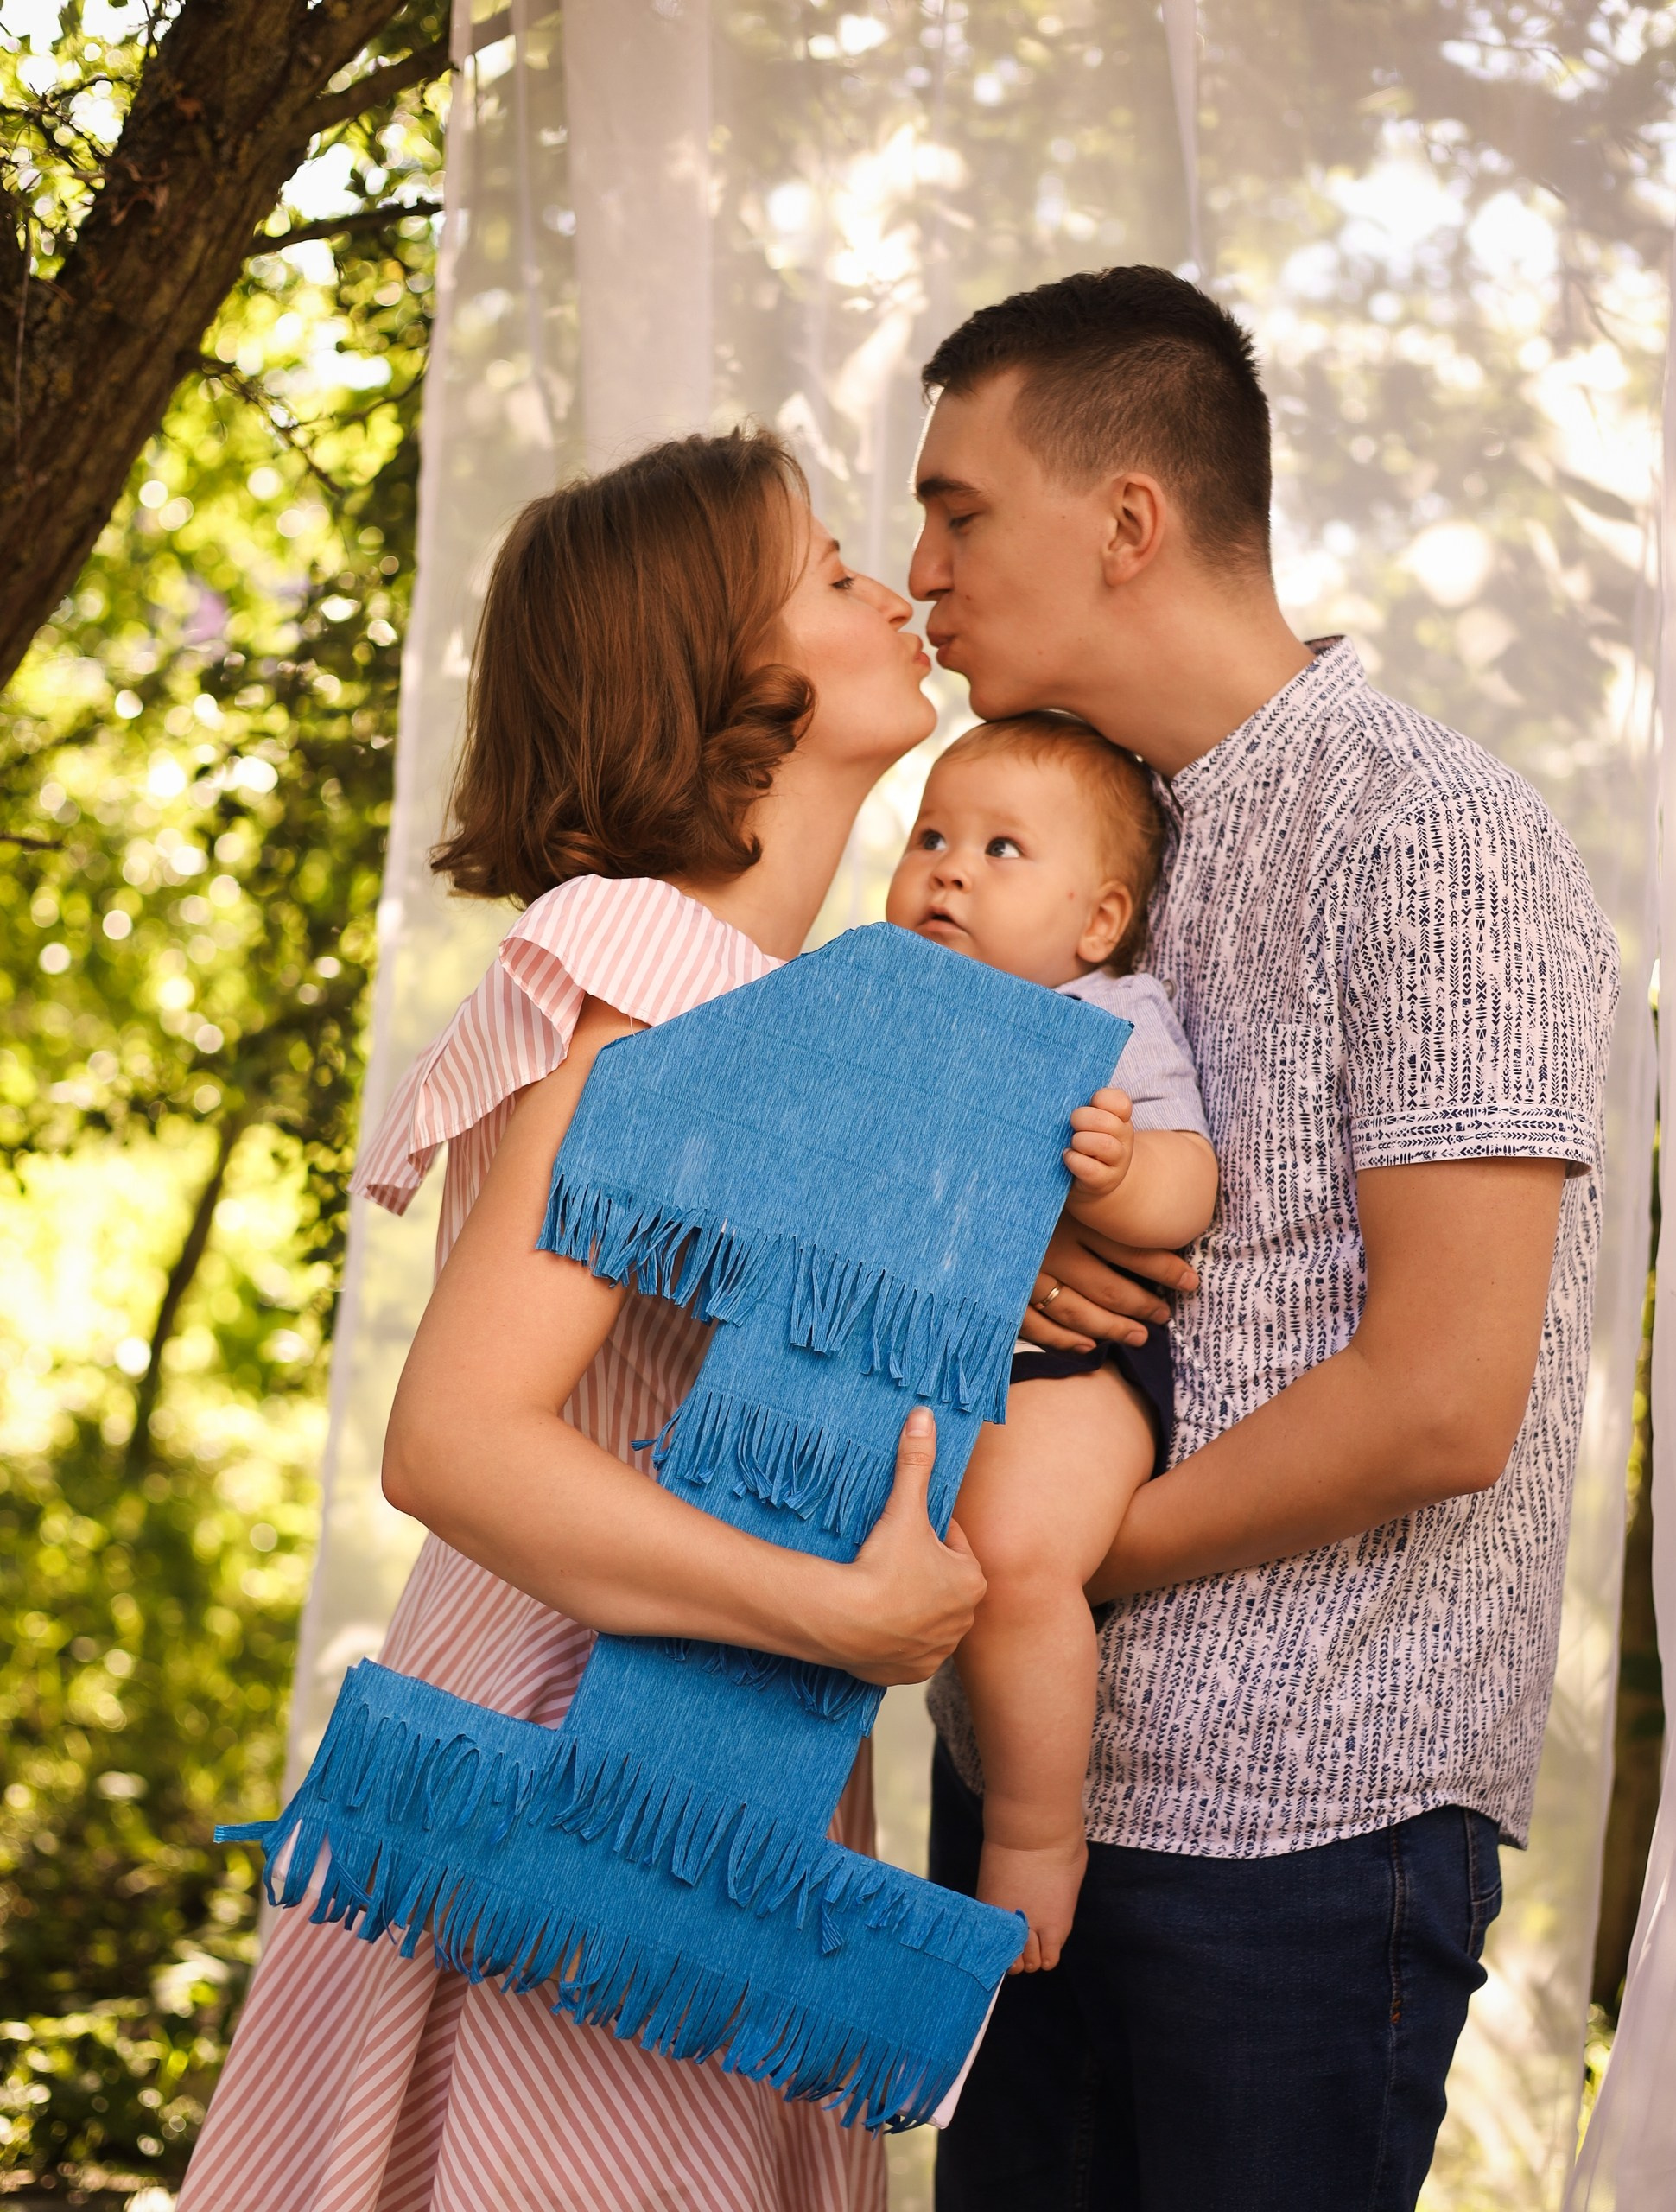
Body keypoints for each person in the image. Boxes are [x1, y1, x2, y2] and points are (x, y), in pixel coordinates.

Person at [178, 429, 986, 2212]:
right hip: (584, 1740)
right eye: (838, 570)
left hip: (686, 1725)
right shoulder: (653, 962)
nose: (899, 587)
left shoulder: (754, 988)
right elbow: (455, 1437)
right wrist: (838, 1606)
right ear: (733, 669)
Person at [911, 266, 1620, 2212]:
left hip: (1299, 1834)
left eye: (956, 510)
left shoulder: (1431, 838)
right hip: (1024, 1800)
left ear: (1126, 520)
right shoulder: (1036, 834)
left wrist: (1040, 1562)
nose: (917, 572)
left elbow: (1439, 1401)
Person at [885, 715, 1216, 1971]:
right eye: (930, 837)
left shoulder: (1104, 1018)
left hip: (1071, 1369)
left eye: (1002, 847)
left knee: (1014, 1558)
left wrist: (1118, 1176)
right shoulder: (887, 1003)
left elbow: (1189, 1192)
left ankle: (1032, 1837)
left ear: (1096, 920)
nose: (950, 868)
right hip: (932, 1354)